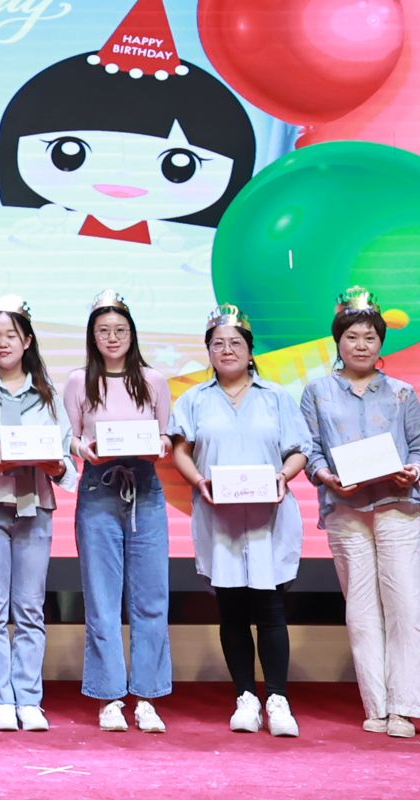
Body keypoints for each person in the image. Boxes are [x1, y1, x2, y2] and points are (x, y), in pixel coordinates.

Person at [300, 286, 420, 739]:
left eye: (370, 337)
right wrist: (325, 476)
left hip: (397, 504)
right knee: (361, 610)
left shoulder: (401, 393)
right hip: (345, 508)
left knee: (404, 606)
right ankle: (376, 706)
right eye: (352, 337)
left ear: (382, 343)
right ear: (337, 341)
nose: (361, 345)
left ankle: (405, 707)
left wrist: (413, 470)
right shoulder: (317, 392)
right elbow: (310, 449)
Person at [170, 303, 306, 739]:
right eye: (217, 344)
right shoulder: (194, 400)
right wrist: (199, 482)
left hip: (269, 517)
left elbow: (298, 450)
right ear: (208, 351)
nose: (226, 350)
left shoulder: (276, 396)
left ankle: (278, 699)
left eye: (235, 343)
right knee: (231, 610)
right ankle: (246, 697)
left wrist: (283, 477)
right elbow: (180, 451)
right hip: (220, 519)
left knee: (270, 609)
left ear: (250, 351)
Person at [63, 288, 171, 735]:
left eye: (120, 330)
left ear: (132, 333)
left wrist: (162, 444)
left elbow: (165, 434)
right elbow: (70, 438)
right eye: (103, 330)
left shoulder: (153, 380)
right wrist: (81, 449)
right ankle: (109, 697)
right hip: (99, 488)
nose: (112, 337)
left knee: (151, 598)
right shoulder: (78, 381)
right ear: (92, 336)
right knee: (102, 598)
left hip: (146, 488)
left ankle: (147, 696)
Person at [0, 294, 70, 733]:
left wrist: (56, 465)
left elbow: (66, 460)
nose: (2, 343)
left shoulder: (48, 394)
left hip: (34, 507)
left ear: (27, 341)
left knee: (29, 607)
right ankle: (0, 699)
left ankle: (29, 698)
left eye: (11, 335)